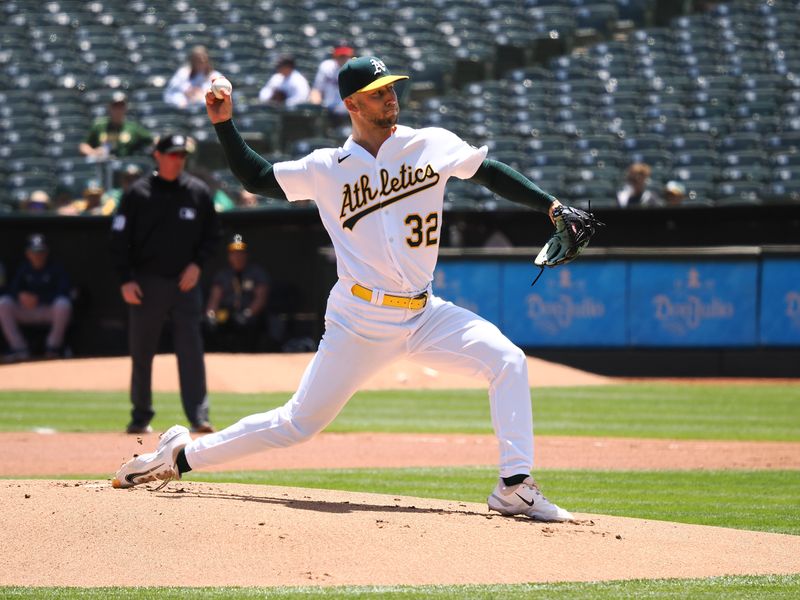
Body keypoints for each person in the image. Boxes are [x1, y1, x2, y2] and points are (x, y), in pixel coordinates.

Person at [113, 56, 575, 523]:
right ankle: (181, 456)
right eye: (378, 92)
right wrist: (225, 124)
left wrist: (552, 208)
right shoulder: (326, 168)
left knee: (507, 360)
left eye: (392, 87)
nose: (391, 95)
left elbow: (488, 171)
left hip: (424, 311)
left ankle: (515, 485)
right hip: (360, 319)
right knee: (298, 424)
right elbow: (257, 177)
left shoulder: (431, 143)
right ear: (352, 104)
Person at [109, 133, 222, 435]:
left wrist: (197, 265)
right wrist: (126, 280)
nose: (177, 159)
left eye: (181, 155)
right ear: (157, 156)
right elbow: (119, 241)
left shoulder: (197, 192)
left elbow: (213, 237)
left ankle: (199, 416)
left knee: (191, 351)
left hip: (185, 285)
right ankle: (140, 416)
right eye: (171, 154)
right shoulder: (138, 194)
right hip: (147, 283)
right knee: (142, 351)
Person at [0, 234, 72, 362]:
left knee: (63, 304)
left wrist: (40, 298)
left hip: (47, 310)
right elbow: (11, 290)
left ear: (46, 253)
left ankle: (53, 347)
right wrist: (20, 296)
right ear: (28, 253)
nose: (37, 256)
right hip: (26, 311)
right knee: (4, 303)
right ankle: (19, 349)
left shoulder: (55, 268)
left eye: (41, 252)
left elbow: (64, 292)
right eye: (34, 252)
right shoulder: (23, 269)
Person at [204, 234, 269, 352]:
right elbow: (214, 299)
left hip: (249, 316)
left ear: (246, 254)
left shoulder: (256, 273)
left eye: (241, 252)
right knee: (215, 324)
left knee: (254, 324)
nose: (237, 256)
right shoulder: (222, 275)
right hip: (228, 316)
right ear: (229, 256)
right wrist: (211, 315)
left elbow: (261, 298)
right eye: (234, 253)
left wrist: (247, 313)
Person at [79, 92, 153, 159]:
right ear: (109, 108)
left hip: (126, 168)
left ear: (126, 108)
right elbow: (83, 146)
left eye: (121, 107)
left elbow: (151, 142)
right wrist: (94, 153)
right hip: (104, 166)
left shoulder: (133, 127)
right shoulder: (99, 126)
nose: (118, 110)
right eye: (115, 106)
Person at [309, 42, 355, 127]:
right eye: (341, 56)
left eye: (345, 56)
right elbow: (317, 90)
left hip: (349, 114)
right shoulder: (326, 66)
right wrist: (316, 104)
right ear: (335, 55)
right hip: (328, 112)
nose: (343, 58)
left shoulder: (356, 69)